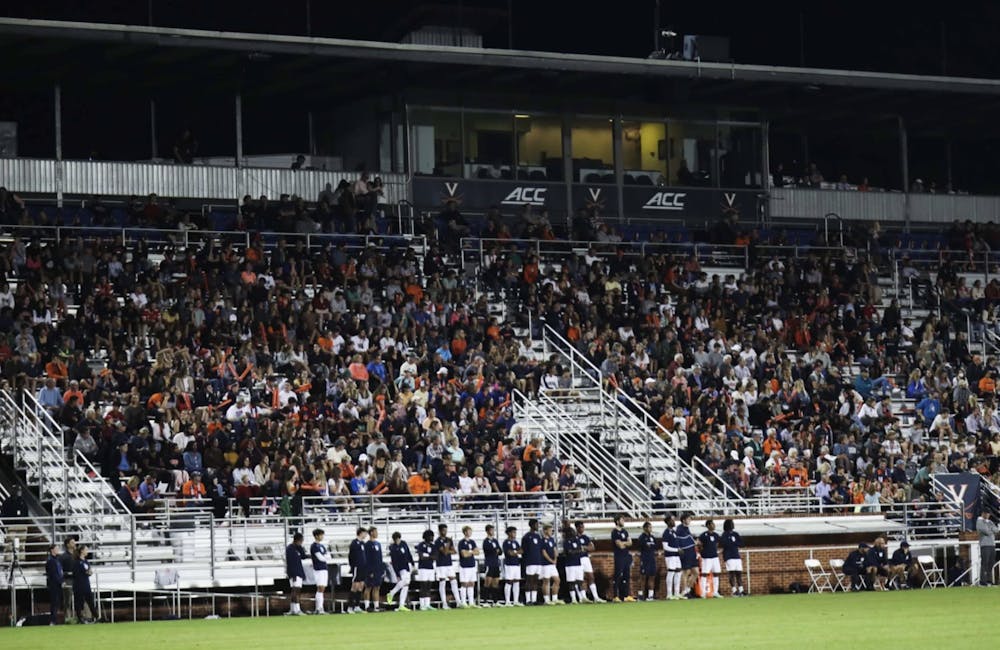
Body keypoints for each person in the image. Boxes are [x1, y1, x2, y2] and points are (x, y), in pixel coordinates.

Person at [575, 521, 604, 602]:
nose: (582, 529)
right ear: (577, 528)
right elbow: (576, 549)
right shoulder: (574, 538)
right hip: (577, 559)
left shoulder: (585, 537)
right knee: (580, 579)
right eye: (581, 527)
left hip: (586, 558)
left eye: (583, 527)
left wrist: (583, 548)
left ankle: (596, 597)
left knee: (591, 577)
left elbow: (592, 547)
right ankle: (582, 598)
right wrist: (585, 548)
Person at [435, 523, 462, 608]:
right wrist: (447, 545)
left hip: (449, 564)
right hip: (441, 564)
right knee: (442, 582)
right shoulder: (438, 541)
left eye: (446, 530)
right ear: (439, 531)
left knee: (454, 581)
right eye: (443, 531)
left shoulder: (449, 540)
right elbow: (445, 552)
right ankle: (444, 603)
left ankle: (458, 601)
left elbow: (454, 551)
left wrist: (448, 548)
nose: (445, 532)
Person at [386, 531, 414, 611]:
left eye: (398, 539)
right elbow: (394, 561)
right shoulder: (393, 548)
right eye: (396, 540)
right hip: (400, 567)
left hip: (407, 565)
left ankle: (401, 605)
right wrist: (397, 573)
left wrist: (412, 563)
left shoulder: (404, 544)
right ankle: (391, 593)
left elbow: (408, 553)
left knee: (406, 585)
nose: (397, 541)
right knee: (405, 581)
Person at [611, 514, 635, 602]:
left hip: (626, 556)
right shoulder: (614, 532)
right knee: (617, 575)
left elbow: (630, 543)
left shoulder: (625, 531)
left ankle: (626, 595)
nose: (623, 521)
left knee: (627, 576)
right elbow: (619, 545)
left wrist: (623, 543)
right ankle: (615, 596)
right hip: (619, 556)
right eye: (622, 520)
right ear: (617, 521)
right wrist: (625, 543)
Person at [675, 512, 699, 598]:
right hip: (686, 552)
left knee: (696, 572)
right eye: (688, 519)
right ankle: (683, 591)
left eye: (690, 519)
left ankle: (688, 589)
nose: (690, 520)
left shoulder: (687, 528)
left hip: (692, 552)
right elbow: (678, 540)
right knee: (685, 572)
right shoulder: (679, 528)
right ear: (683, 520)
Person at [698, 519, 723, 598]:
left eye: (714, 524)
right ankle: (703, 593)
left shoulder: (716, 535)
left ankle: (715, 592)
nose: (714, 525)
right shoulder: (703, 535)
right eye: (712, 524)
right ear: (708, 525)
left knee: (716, 573)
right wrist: (702, 552)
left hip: (715, 557)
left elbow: (717, 544)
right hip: (706, 557)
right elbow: (699, 545)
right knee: (704, 574)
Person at [73, 544, 98, 624]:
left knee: (90, 601)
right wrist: (86, 572)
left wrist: (88, 572)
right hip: (79, 585)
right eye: (86, 550)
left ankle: (96, 616)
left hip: (86, 584)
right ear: (82, 551)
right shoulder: (77, 562)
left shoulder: (86, 561)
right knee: (79, 602)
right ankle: (80, 618)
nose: (87, 551)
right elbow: (79, 573)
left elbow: (89, 571)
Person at [521, 518, 543, 605]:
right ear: (532, 525)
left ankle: (534, 599)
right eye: (536, 524)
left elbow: (540, 549)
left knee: (535, 581)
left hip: (538, 561)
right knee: (529, 580)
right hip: (530, 562)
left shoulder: (538, 536)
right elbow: (523, 550)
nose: (538, 526)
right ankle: (527, 600)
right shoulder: (526, 537)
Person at [720, 519, 745, 596]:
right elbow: (724, 544)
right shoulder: (724, 534)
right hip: (729, 556)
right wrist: (733, 543)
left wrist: (734, 543)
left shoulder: (735, 534)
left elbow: (741, 543)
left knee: (739, 573)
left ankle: (741, 590)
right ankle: (734, 590)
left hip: (736, 555)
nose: (733, 525)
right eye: (731, 523)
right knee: (732, 573)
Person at [284, 531, 306, 615]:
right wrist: (292, 574)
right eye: (301, 541)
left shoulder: (298, 548)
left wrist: (301, 548)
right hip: (294, 573)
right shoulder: (290, 549)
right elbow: (290, 562)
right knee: (296, 590)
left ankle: (293, 609)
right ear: (297, 540)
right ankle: (296, 609)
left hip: (299, 572)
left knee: (296, 590)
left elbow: (303, 556)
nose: (301, 543)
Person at [661, 515, 683, 601]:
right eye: (672, 520)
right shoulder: (666, 532)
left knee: (678, 573)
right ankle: (669, 594)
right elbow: (665, 547)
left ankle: (676, 593)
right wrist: (677, 549)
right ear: (668, 522)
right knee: (671, 573)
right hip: (670, 556)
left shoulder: (674, 532)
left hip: (676, 556)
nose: (674, 522)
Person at [540, 523, 562, 605]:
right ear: (545, 531)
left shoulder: (552, 540)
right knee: (546, 581)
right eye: (549, 530)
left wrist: (555, 559)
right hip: (545, 564)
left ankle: (554, 598)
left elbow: (555, 549)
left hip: (552, 564)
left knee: (557, 580)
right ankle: (546, 600)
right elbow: (543, 552)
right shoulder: (542, 540)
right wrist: (550, 560)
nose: (551, 532)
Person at [310, 528, 331, 614]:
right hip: (318, 569)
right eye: (321, 535)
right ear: (316, 536)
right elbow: (321, 558)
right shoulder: (314, 546)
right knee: (320, 588)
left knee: (323, 588)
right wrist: (325, 557)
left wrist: (325, 557)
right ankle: (319, 608)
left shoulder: (322, 546)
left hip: (324, 568)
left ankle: (320, 608)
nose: (322, 537)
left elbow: (328, 556)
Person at [347, 527, 368, 613]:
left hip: (363, 567)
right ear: (361, 533)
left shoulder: (363, 543)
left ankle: (357, 606)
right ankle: (350, 607)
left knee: (361, 586)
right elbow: (350, 556)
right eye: (365, 533)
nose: (366, 535)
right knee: (355, 586)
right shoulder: (354, 543)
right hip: (356, 567)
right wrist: (352, 567)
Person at [415, 530, 437, 611]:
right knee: (423, 586)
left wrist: (427, 556)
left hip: (430, 568)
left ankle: (427, 604)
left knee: (429, 586)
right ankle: (422, 604)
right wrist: (430, 556)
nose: (432, 538)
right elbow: (421, 557)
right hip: (423, 568)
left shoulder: (433, 546)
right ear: (426, 536)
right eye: (430, 536)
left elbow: (436, 557)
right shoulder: (421, 545)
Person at [458, 525, 479, 608]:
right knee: (464, 584)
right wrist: (472, 552)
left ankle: (471, 602)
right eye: (469, 531)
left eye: (471, 531)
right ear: (465, 532)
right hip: (464, 566)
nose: (470, 533)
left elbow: (477, 552)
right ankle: (463, 602)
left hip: (472, 565)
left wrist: (469, 552)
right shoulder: (462, 542)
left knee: (472, 583)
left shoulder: (472, 542)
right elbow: (464, 554)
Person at [502, 526, 523, 606]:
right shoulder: (506, 542)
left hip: (516, 564)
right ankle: (507, 601)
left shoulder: (516, 542)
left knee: (516, 582)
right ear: (509, 533)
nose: (515, 534)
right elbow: (509, 553)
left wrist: (515, 552)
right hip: (509, 564)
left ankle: (515, 601)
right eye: (513, 532)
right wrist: (516, 552)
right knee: (509, 581)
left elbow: (521, 551)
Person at [481, 524, 502, 606]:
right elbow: (490, 551)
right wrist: (495, 550)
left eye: (493, 530)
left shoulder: (495, 540)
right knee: (487, 582)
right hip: (489, 563)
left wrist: (496, 551)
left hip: (496, 563)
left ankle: (495, 601)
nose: (493, 532)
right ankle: (485, 601)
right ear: (487, 531)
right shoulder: (486, 541)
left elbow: (500, 551)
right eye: (491, 530)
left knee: (495, 583)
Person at [364, 526, 384, 612]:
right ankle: (367, 606)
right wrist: (369, 571)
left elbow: (380, 557)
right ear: (371, 533)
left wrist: (382, 569)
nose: (377, 533)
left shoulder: (378, 544)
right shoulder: (367, 545)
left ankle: (376, 606)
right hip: (370, 570)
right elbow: (367, 558)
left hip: (378, 569)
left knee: (377, 587)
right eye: (375, 532)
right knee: (368, 587)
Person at [637, 521, 658, 600]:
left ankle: (650, 595)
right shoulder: (641, 537)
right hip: (645, 559)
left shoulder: (652, 537)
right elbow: (641, 547)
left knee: (652, 577)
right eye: (649, 527)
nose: (650, 529)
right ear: (645, 528)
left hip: (652, 559)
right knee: (643, 577)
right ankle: (640, 595)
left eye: (651, 527)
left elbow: (655, 546)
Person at [977, 512, 998, 586]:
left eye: (988, 514)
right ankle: (982, 581)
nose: (988, 515)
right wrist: (991, 529)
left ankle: (989, 580)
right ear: (983, 514)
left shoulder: (990, 522)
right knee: (984, 563)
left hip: (992, 544)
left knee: (991, 563)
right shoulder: (979, 521)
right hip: (985, 545)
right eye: (986, 513)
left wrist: (991, 529)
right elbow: (986, 531)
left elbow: (996, 530)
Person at [59, 537, 77, 623]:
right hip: (68, 580)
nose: (74, 544)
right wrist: (62, 581)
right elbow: (59, 570)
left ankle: (80, 617)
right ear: (68, 545)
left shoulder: (76, 555)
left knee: (80, 598)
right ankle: (67, 618)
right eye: (72, 542)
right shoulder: (63, 557)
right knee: (68, 600)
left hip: (77, 580)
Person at [46, 543, 63, 625]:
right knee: (54, 603)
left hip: (56, 584)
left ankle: (54, 620)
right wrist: (61, 581)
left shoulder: (56, 559)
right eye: (56, 549)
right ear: (52, 550)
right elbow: (54, 574)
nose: (58, 550)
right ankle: (53, 620)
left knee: (56, 603)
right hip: (54, 585)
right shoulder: (51, 560)